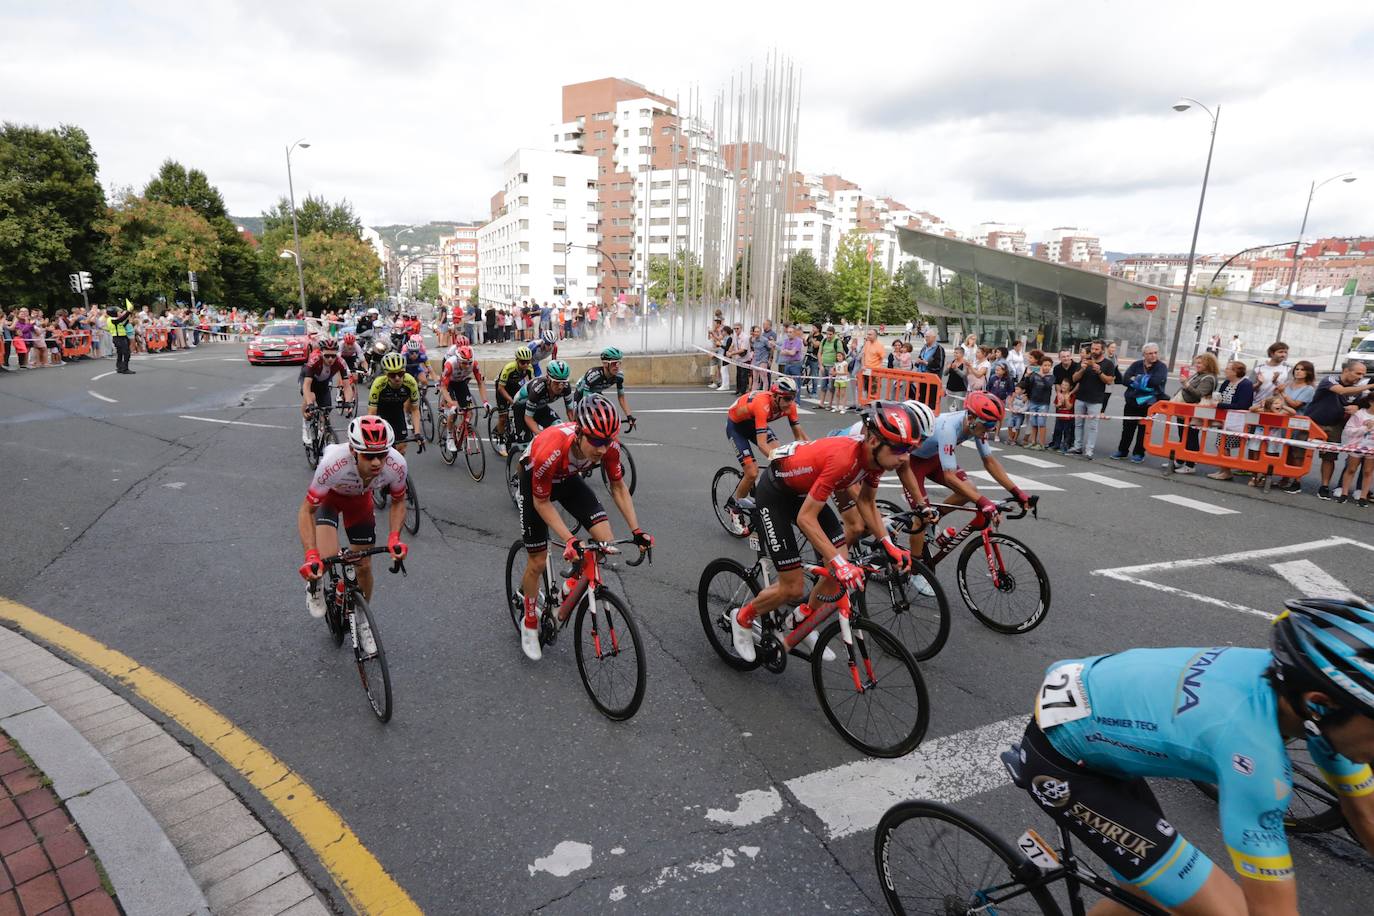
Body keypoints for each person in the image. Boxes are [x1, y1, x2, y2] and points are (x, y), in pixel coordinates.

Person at [1014, 598, 1374, 916]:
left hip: (1093, 707)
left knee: (1149, 892)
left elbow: (1367, 816)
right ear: (1319, 704)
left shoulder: (1310, 699)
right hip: (1061, 760)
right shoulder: (1253, 756)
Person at [727, 403, 923, 663]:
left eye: (909, 449)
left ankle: (801, 619)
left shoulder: (875, 458)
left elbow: (866, 502)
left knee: (835, 569)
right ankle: (742, 617)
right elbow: (806, 518)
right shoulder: (845, 459)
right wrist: (840, 563)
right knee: (793, 586)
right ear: (874, 440)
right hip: (774, 493)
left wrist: (888, 545)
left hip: (802, 491)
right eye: (899, 449)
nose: (905, 457)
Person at [515, 395, 651, 661]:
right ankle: (529, 620)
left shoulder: (609, 447)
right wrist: (569, 539)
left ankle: (569, 584)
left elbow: (619, 487)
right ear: (579, 433)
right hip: (536, 477)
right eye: (597, 442)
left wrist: (637, 530)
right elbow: (542, 503)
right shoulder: (551, 448)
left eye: (607, 441)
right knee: (538, 561)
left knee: (605, 542)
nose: (602, 449)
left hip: (566, 478)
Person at [297, 416, 409, 628]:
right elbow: (306, 510)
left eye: (381, 454)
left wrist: (395, 536)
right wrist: (310, 554)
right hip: (330, 498)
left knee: (364, 565)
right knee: (326, 558)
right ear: (354, 451)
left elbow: (398, 502)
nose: (376, 462)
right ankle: (316, 583)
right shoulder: (333, 464)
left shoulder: (397, 464)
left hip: (360, 501)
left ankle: (362, 618)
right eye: (368, 456)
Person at [723, 377, 806, 532]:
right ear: (775, 396)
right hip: (737, 427)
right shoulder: (763, 404)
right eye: (787, 398)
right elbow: (762, 444)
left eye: (793, 398)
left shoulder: (790, 406)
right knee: (752, 471)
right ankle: (735, 506)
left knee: (781, 455)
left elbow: (800, 437)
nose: (791, 403)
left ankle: (766, 493)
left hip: (755, 422)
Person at [1307, 360, 1372, 500]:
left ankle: (1324, 486)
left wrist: (1357, 407)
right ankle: (1294, 481)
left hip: (1335, 425)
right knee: (1300, 452)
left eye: (1363, 374)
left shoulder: (1358, 390)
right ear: (1346, 371)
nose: (1360, 377)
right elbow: (1341, 390)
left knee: (1329, 457)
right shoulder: (1330, 379)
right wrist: (1371, 385)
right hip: (1313, 421)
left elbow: (1361, 406)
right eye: (1358, 373)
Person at [1112, 343, 1168, 462]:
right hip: (1132, 401)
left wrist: (1136, 379)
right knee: (1127, 428)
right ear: (1144, 354)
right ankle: (1122, 451)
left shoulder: (1161, 367)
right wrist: (1143, 380)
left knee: (1143, 429)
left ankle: (1139, 453)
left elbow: (1156, 381)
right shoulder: (1136, 364)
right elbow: (1125, 379)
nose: (1153, 355)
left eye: (1155, 353)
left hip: (1149, 403)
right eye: (1150, 353)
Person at [1168, 353, 1220, 474]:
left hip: (1194, 412)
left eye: (1199, 363)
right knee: (1183, 436)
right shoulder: (1199, 374)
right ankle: (1180, 460)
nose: (1197, 365)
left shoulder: (1209, 378)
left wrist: (1186, 384)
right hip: (1185, 410)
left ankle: (1190, 464)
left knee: (1191, 437)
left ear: (1208, 364)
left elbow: (1199, 394)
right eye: (1196, 362)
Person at [1067, 339, 1116, 460]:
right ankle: (1077, 446)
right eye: (1092, 348)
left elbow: (1109, 381)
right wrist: (1083, 369)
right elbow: (1074, 379)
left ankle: (1089, 450)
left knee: (1093, 426)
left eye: (1096, 349)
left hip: (1096, 399)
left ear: (1102, 350)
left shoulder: (1108, 364)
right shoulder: (1084, 361)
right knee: (1078, 424)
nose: (1093, 351)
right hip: (1081, 397)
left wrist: (1099, 371)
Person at [300, 338, 356, 444]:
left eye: (333, 356)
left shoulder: (341, 362)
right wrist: (310, 404)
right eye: (327, 356)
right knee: (311, 398)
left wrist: (349, 402)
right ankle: (306, 425)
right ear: (321, 353)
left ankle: (324, 431)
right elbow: (307, 386)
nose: (330, 359)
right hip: (308, 380)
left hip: (323, 383)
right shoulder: (314, 360)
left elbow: (347, 386)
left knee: (326, 409)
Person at [1274, 361, 1318, 493]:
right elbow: (1278, 401)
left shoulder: (1308, 389)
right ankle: (1285, 477)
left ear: (1308, 373)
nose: (1298, 371)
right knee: (1287, 450)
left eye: (1302, 370)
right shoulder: (1287, 385)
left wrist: (1283, 394)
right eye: (1297, 369)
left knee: (1297, 453)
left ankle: (1296, 481)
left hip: (1300, 424)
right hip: (1285, 422)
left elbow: (1295, 405)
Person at [367, 352, 423, 456]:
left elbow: (415, 409)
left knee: (401, 449)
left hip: (398, 413)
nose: (397, 378)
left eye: (400, 374)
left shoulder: (410, 382)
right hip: (381, 414)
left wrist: (417, 433)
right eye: (392, 375)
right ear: (386, 374)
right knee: (380, 449)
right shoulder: (378, 384)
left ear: (404, 371)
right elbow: (371, 412)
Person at [1208, 360, 1255, 480]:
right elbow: (1220, 396)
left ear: (1236, 372)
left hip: (1238, 419)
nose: (1225, 370)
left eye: (1228, 369)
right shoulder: (1226, 382)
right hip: (1225, 419)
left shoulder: (1245, 384)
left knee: (1222, 444)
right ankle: (1224, 469)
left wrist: (1219, 405)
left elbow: (1242, 405)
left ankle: (1226, 471)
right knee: (1221, 444)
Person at [439, 344, 488, 452]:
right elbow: (443, 387)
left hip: (461, 382)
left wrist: (485, 402)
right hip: (449, 384)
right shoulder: (450, 364)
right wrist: (451, 403)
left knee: (469, 412)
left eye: (469, 363)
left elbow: (480, 383)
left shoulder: (474, 364)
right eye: (464, 363)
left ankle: (460, 428)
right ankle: (450, 436)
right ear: (458, 359)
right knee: (453, 412)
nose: (467, 366)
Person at [573, 347, 634, 424]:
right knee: (578, 421)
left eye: (619, 363)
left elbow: (621, 397)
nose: (617, 366)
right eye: (614, 363)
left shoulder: (619, 376)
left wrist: (629, 416)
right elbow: (585, 400)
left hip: (596, 393)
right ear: (605, 363)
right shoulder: (594, 375)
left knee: (608, 415)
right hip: (582, 394)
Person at [513, 360, 572, 440]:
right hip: (522, 406)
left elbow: (570, 412)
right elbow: (528, 418)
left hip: (540, 406)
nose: (560, 387)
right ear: (548, 379)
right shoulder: (537, 390)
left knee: (558, 427)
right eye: (556, 382)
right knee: (526, 441)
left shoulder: (566, 387)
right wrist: (541, 434)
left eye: (563, 382)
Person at [493, 346, 535, 446]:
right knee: (503, 417)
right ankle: (501, 441)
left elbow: (531, 385)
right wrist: (511, 400)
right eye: (522, 362)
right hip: (502, 387)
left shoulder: (529, 368)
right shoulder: (509, 368)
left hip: (514, 385)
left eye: (528, 362)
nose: (525, 365)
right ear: (517, 360)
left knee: (523, 405)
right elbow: (500, 388)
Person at [1337, 401, 1374, 507]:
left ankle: (1363, 496)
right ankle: (1344, 494)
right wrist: (1364, 428)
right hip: (1356, 446)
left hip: (1371, 448)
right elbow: (1348, 430)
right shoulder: (1359, 414)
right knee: (1351, 469)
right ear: (1371, 402)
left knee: (1368, 472)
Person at [818, 325, 844, 411]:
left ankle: (830, 404)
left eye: (830, 334)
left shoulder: (837, 342)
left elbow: (840, 355)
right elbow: (819, 353)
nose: (828, 336)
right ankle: (821, 403)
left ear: (833, 334)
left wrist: (834, 367)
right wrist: (820, 365)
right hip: (824, 365)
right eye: (827, 334)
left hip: (832, 366)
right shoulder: (824, 341)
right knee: (823, 385)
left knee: (831, 386)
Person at [108, 301, 134, 374]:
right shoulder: (111, 319)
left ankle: (119, 367)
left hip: (122, 337)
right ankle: (125, 369)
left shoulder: (114, 319)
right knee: (126, 353)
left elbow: (122, 324)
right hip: (118, 338)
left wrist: (127, 320)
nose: (120, 313)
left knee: (120, 353)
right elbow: (120, 320)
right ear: (113, 313)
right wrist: (128, 312)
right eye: (118, 312)